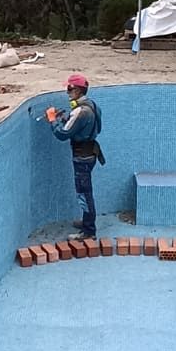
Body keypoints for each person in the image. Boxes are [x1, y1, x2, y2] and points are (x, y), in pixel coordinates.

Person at [48, 73, 105, 241]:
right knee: (85, 191)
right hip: (91, 153)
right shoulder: (92, 105)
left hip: (82, 157)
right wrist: (65, 117)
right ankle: (87, 221)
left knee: (84, 193)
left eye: (69, 89)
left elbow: (62, 134)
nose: (67, 92)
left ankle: (89, 231)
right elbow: (93, 127)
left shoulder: (80, 111)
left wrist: (53, 120)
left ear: (78, 91)